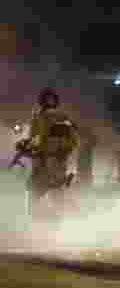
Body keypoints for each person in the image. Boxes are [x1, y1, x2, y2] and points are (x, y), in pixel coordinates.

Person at [18, 88, 80, 220]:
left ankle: (66, 218)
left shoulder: (62, 117)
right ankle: (35, 217)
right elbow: (34, 137)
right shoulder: (37, 117)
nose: (50, 102)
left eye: (52, 99)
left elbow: (73, 139)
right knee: (35, 189)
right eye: (47, 99)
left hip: (55, 161)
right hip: (40, 160)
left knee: (57, 190)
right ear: (42, 100)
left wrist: (63, 150)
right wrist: (25, 146)